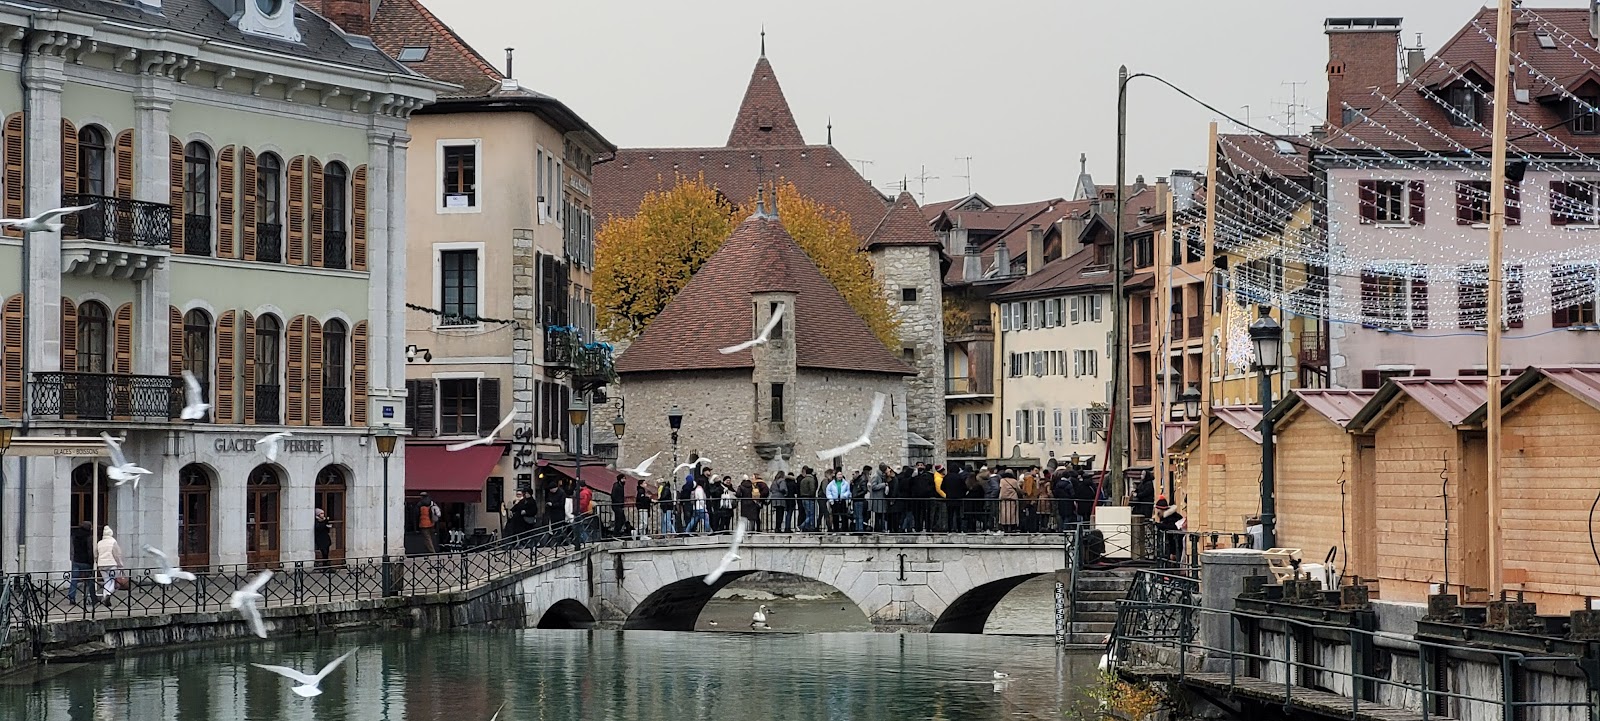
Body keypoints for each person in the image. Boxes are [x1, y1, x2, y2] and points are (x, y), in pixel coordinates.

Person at [95, 526, 123, 606]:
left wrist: (98, 562)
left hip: (102, 565)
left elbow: (96, 554)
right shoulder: (113, 542)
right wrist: (120, 565)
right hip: (112, 564)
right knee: (114, 582)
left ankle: (105, 597)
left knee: (106, 581)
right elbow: (117, 555)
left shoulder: (99, 543)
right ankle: (108, 594)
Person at [68, 521, 94, 605]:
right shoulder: (89, 537)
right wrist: (92, 561)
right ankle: (90, 597)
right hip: (85, 561)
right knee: (89, 580)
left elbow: (72, 548)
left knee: (74, 580)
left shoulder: (75, 536)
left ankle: (72, 597)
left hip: (76, 560)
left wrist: (72, 558)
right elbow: (89, 550)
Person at [867, 466, 889, 532]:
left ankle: (881, 528)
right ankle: (878, 529)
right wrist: (883, 485)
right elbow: (873, 487)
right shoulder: (876, 476)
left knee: (881, 515)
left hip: (881, 499)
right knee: (878, 515)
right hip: (877, 499)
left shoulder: (882, 476)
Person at [797, 466, 819, 532]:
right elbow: (813, 489)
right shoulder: (811, 479)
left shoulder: (803, 480)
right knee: (811, 514)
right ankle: (802, 526)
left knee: (807, 513)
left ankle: (807, 527)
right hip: (809, 498)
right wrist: (812, 495)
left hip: (803, 497)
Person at [851, 466, 870, 533]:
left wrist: (856, 495)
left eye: (853, 474)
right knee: (856, 515)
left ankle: (860, 529)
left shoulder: (862, 480)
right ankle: (857, 528)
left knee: (859, 515)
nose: (852, 476)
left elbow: (864, 490)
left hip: (859, 500)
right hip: (855, 500)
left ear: (857, 473)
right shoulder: (855, 481)